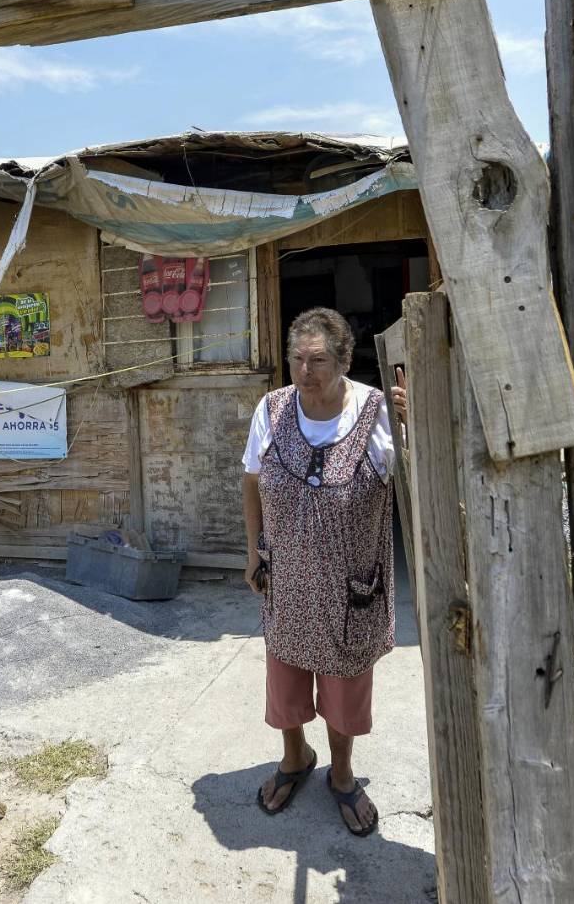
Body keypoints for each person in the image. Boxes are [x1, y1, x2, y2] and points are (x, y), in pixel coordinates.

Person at [240, 306, 408, 837]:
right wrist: (253, 549)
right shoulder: (271, 408)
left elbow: (421, 477)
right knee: (285, 682)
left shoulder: (379, 411)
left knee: (345, 687)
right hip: (287, 579)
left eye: (317, 361)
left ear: (343, 361)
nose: (305, 372)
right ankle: (295, 758)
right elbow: (251, 478)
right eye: (297, 359)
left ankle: (341, 773)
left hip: (351, 585)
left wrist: (413, 424)